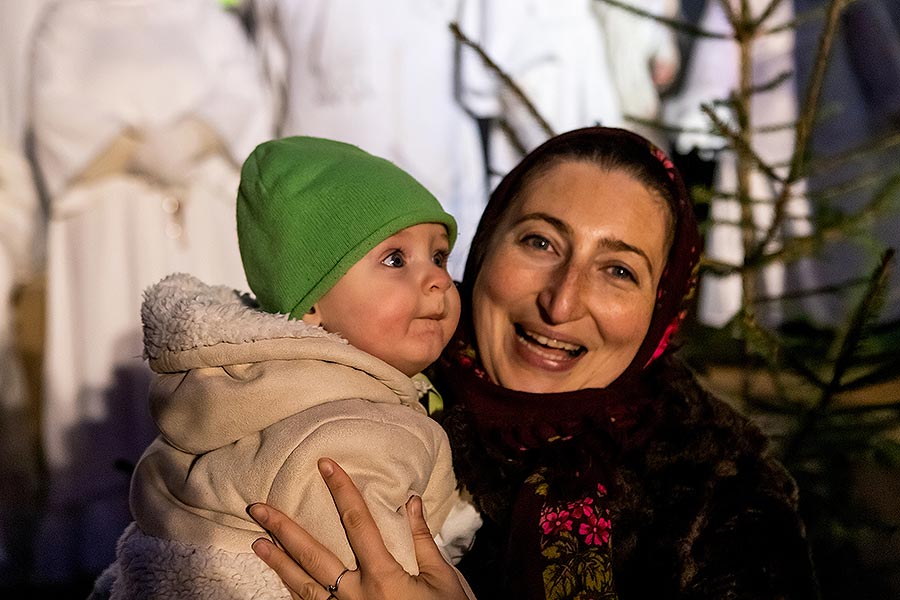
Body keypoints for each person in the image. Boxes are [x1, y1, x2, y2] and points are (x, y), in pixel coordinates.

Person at [248, 126, 821, 599]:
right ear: (488, 240)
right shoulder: (357, 376)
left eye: (619, 270)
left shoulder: (720, 494)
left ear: (663, 307)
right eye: (540, 243)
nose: (561, 302)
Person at [92, 137, 480, 599]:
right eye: (395, 259)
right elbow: (392, 579)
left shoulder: (255, 386)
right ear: (312, 302)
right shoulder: (357, 430)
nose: (438, 278)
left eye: (439, 256)